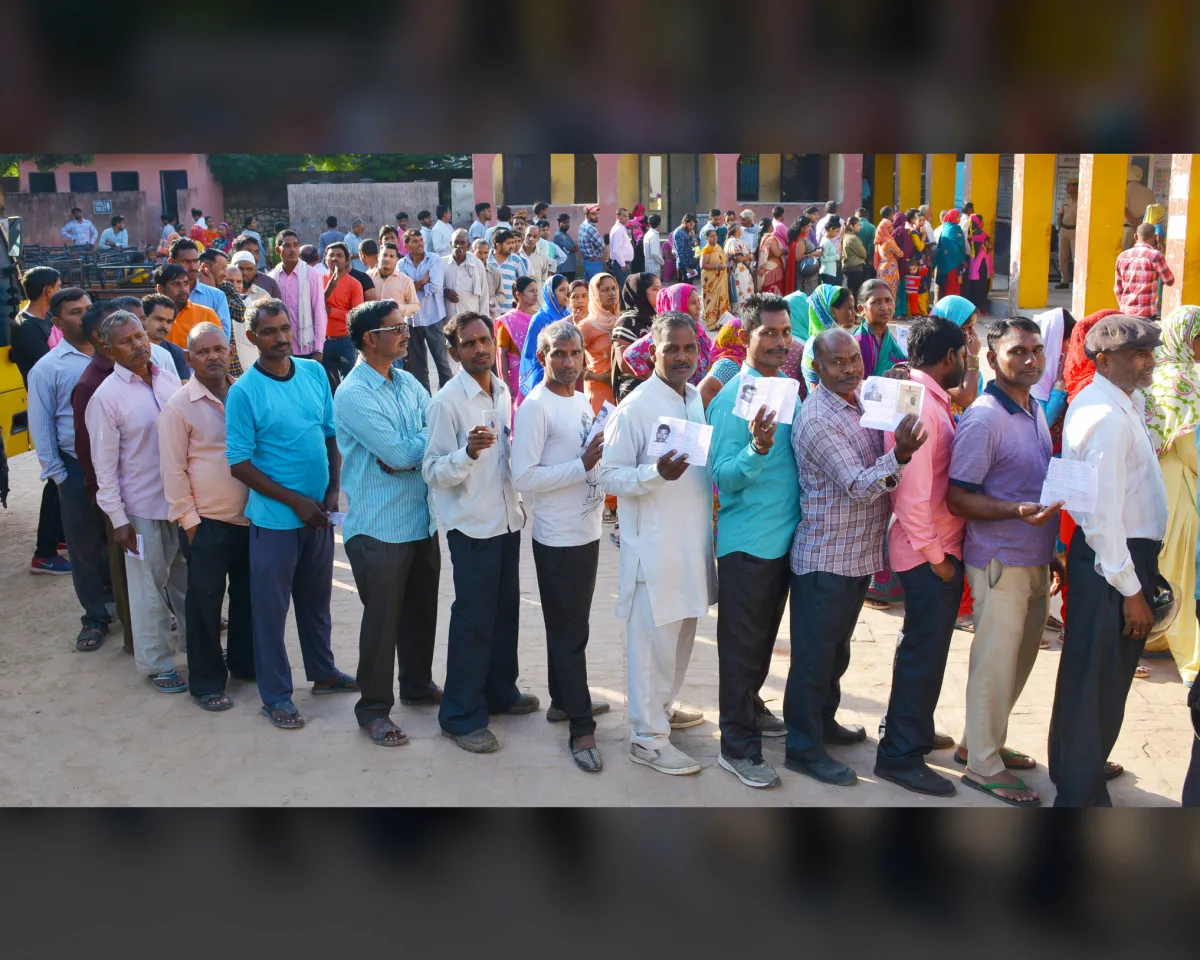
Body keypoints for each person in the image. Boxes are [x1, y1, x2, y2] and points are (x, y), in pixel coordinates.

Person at [783, 327, 925, 786]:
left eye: (853, 360)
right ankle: (802, 748)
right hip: (826, 557)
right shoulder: (818, 418)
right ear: (817, 368)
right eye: (837, 363)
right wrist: (900, 455)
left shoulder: (860, 398)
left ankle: (823, 722)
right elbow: (860, 486)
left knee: (835, 652)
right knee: (812, 658)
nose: (848, 369)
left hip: (857, 554)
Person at [1049, 315, 1167, 805]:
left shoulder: (1121, 403)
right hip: (1112, 562)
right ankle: (1079, 792)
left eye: (1149, 352)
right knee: (1095, 678)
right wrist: (1132, 590)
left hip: (1117, 557)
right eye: (1138, 354)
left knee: (1098, 675)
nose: (1150, 362)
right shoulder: (1103, 417)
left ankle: (1078, 768)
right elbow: (1099, 519)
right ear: (1103, 360)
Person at [225, 298, 358, 729]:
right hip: (276, 522)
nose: (281, 338)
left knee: (316, 603)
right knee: (270, 613)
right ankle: (276, 695)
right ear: (252, 338)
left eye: (284, 328)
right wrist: (295, 501)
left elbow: (330, 434)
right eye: (269, 331)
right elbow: (240, 463)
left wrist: (332, 489)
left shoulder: (315, 373)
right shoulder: (244, 392)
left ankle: (323, 673)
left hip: (318, 516)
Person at [946, 317, 1064, 806]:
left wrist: (1053, 549)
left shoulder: (1032, 407)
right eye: (1018, 351)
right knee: (995, 662)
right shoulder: (984, 417)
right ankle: (982, 767)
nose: (1031, 358)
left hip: (1034, 555)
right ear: (991, 359)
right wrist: (1014, 512)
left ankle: (981, 741)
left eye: (1036, 349)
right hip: (1000, 561)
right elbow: (957, 498)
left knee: (1018, 658)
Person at [598, 311, 716, 775]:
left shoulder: (692, 397)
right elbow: (606, 473)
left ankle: (662, 709)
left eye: (689, 348)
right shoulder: (637, 406)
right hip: (654, 549)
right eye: (672, 348)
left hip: (691, 543)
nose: (682, 356)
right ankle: (646, 737)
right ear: (653, 351)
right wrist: (653, 473)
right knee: (652, 643)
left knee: (682, 635)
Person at [422, 312, 535, 754]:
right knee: (473, 621)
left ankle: (500, 693)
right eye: (469, 344)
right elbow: (431, 470)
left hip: (506, 519)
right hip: (471, 526)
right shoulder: (447, 402)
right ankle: (460, 715)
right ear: (453, 352)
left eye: (485, 340)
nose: (480, 349)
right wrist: (466, 454)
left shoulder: (502, 388)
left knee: (505, 613)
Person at [334, 300, 442, 747]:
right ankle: (373, 709)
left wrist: (411, 447)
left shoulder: (408, 381)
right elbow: (401, 454)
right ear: (368, 340)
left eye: (405, 326)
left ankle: (417, 685)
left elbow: (435, 431)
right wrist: (415, 447)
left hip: (421, 517)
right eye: (395, 328)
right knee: (382, 621)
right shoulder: (354, 393)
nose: (404, 333)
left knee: (421, 611)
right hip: (378, 526)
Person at [707, 293, 799, 789]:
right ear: (745, 337)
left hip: (786, 539)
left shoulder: (788, 389)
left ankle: (752, 709)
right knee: (740, 648)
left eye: (785, 332)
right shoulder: (730, 399)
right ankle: (737, 746)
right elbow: (722, 475)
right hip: (745, 543)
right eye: (768, 333)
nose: (779, 342)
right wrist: (756, 448)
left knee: (762, 643)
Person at [874, 316, 969, 797]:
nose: (968, 364)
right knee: (922, 654)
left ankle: (909, 729)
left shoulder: (925, 395)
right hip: (927, 551)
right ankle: (899, 756)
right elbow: (909, 494)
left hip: (930, 545)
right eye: (965, 354)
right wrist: (938, 559)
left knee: (921, 650)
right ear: (949, 357)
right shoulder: (921, 405)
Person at [512, 320, 609, 771]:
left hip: (585, 531)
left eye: (575, 354)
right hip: (558, 539)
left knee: (574, 629)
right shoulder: (536, 407)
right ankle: (582, 728)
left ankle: (564, 700)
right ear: (542, 357)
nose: (569, 362)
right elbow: (523, 477)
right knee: (569, 633)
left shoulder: (579, 400)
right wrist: (581, 463)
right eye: (559, 355)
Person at [85, 310, 187, 691]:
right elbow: (104, 469)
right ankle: (157, 663)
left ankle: (199, 646)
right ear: (109, 350)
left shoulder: (166, 377)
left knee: (186, 581)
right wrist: (118, 520)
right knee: (147, 588)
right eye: (126, 341)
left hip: (180, 502)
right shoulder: (106, 398)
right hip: (140, 509)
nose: (138, 344)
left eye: (140, 335)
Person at [158, 322, 254, 710]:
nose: (213, 356)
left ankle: (246, 665)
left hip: (252, 520)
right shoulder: (179, 406)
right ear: (189, 358)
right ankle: (208, 682)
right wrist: (190, 522)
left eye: (218, 349)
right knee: (204, 607)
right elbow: (173, 469)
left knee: (249, 599)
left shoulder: (244, 392)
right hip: (207, 525)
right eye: (203, 351)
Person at [26, 288, 115, 648]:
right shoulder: (49, 368)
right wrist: (60, 476)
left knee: (128, 539)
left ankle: (132, 608)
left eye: (88, 309)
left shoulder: (117, 355)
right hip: (76, 467)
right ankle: (95, 617)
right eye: (75, 312)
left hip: (121, 466)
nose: (84, 316)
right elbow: (41, 426)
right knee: (85, 546)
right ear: (56, 320)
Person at [1139, 306, 1200, 686]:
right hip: (1176, 482)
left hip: (1153, 480)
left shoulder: (1155, 373)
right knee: (1178, 566)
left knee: (1159, 560)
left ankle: (1154, 633)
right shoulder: (1181, 379)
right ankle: (1191, 658)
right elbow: (1189, 447)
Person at [11, 267, 69, 577]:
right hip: (49, 408)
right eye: (59, 285)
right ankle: (44, 553)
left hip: (57, 405)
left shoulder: (41, 321)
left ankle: (58, 537)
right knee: (56, 478)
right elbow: (47, 371)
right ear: (48, 290)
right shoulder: (26, 327)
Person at [267, 231, 328, 361]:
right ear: (278, 250)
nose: (292, 249)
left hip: (307, 347)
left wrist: (318, 348)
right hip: (281, 346)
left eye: (295, 245)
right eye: (287, 245)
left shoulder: (311, 275)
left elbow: (319, 312)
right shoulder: (272, 277)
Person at [518, 274, 574, 398]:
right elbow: (530, 352)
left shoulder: (568, 314)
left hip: (567, 371)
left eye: (567, 290)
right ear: (551, 294)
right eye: (561, 290)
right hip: (544, 375)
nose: (566, 294)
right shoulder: (539, 318)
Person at [320, 241, 365, 390]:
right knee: (326, 384)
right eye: (331, 255)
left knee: (349, 384)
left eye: (339, 255)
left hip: (344, 341)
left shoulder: (354, 284)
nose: (334, 258)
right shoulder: (317, 281)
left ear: (346, 260)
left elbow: (356, 315)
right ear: (325, 258)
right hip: (321, 341)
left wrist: (330, 311)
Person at [170, 237, 232, 338]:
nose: (193, 267)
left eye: (195, 261)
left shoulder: (216, 296)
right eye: (186, 261)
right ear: (172, 262)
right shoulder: (165, 294)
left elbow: (224, 337)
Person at [496, 276, 540, 414]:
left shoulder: (539, 317)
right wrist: (506, 383)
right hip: (517, 375)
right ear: (518, 294)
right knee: (520, 411)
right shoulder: (508, 321)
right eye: (531, 291)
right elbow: (502, 354)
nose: (535, 294)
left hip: (539, 372)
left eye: (536, 291)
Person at [578, 273, 620, 414]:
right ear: (595, 294)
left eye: (614, 288)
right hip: (598, 390)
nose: (611, 293)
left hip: (621, 390)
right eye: (605, 290)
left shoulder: (622, 321)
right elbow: (571, 361)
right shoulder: (587, 326)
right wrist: (596, 377)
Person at [1115, 223, 1175, 319]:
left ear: (1136, 236)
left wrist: (1124, 305)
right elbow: (1169, 280)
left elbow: (1118, 288)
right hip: (1147, 313)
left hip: (1126, 311)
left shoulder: (1122, 256)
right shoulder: (1156, 256)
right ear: (1155, 237)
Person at [369, 241, 422, 329]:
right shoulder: (368, 277)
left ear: (397, 260)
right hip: (372, 328)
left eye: (391, 256)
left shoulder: (406, 281)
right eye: (384, 255)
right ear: (378, 257)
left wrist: (397, 308)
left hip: (396, 329)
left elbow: (416, 306)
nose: (387, 259)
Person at [139, 293, 190, 380]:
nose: (165, 326)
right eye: (159, 319)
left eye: (169, 322)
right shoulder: (131, 349)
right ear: (143, 318)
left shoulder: (176, 353)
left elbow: (183, 388)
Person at [444, 228, 490, 323]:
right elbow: (435, 288)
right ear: (450, 244)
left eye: (462, 243)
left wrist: (483, 321)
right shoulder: (441, 263)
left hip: (471, 320)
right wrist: (444, 291)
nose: (458, 246)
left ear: (468, 245)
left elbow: (484, 295)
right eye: (455, 242)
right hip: (448, 320)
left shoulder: (477, 264)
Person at [962, 214, 993, 316]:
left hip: (973, 265)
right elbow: (989, 246)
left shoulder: (969, 234)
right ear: (979, 222)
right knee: (983, 287)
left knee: (974, 287)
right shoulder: (982, 234)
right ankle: (982, 309)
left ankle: (974, 309)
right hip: (982, 265)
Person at [699, 226, 730, 329]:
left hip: (721, 278)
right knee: (711, 300)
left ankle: (721, 322)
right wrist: (717, 267)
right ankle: (712, 324)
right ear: (706, 239)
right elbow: (703, 265)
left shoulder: (718, 247)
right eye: (711, 236)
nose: (714, 238)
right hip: (711, 279)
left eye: (715, 235)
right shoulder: (706, 250)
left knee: (721, 298)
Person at [934, 209, 967, 299]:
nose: (959, 219)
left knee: (955, 286)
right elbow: (949, 247)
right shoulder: (949, 229)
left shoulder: (956, 228)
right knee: (950, 286)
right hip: (950, 263)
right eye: (957, 217)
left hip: (955, 263)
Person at [1123, 163, 1156, 250]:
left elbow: (1124, 209)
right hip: (1142, 230)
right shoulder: (1148, 192)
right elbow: (1151, 211)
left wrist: (1133, 221)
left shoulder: (1124, 189)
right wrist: (1139, 221)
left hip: (1126, 228)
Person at [1055, 177, 1079, 288]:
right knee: (1062, 256)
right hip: (1065, 230)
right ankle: (1064, 280)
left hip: (1076, 231)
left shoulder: (1082, 199)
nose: (1067, 188)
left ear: (1075, 186)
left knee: (1076, 257)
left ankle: (1077, 281)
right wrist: (1060, 228)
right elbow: (1060, 215)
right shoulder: (1066, 199)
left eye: (1069, 185)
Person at [757, 219, 787, 295]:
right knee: (774, 292)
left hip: (767, 268)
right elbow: (777, 253)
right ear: (770, 226)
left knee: (767, 292)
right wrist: (784, 251)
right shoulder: (771, 238)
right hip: (774, 269)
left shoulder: (762, 238)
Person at [840, 217, 868, 298]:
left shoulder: (845, 236)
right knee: (856, 293)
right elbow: (863, 254)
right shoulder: (853, 238)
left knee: (850, 292)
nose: (860, 227)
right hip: (855, 268)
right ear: (851, 226)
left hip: (848, 267)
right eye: (858, 225)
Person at [577, 204, 607, 281]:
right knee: (599, 287)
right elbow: (602, 246)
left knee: (589, 288)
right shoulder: (590, 228)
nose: (597, 216)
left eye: (597, 214)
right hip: (595, 263)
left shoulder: (582, 225)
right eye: (593, 214)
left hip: (587, 262)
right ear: (586, 215)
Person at [609, 207, 635, 288]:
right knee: (624, 288)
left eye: (627, 216)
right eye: (624, 216)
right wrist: (623, 265)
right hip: (620, 264)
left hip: (621, 263)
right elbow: (617, 249)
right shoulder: (618, 230)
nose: (627, 218)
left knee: (625, 288)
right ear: (617, 216)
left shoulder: (621, 228)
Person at [671, 213, 699, 285]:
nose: (691, 227)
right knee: (683, 290)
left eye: (693, 226)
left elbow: (688, 246)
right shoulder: (678, 233)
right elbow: (680, 252)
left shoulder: (686, 231)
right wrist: (687, 268)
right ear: (684, 222)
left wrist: (691, 237)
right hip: (683, 266)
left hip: (689, 263)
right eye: (690, 225)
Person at [818, 217, 843, 287]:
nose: (837, 234)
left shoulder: (826, 240)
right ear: (831, 229)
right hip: (827, 272)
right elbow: (822, 259)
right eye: (836, 231)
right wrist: (837, 257)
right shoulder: (826, 242)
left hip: (829, 272)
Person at [553, 213, 578, 281]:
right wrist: (573, 247)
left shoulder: (566, 235)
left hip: (570, 268)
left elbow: (575, 248)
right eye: (564, 222)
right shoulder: (559, 235)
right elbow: (572, 248)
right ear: (558, 224)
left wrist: (574, 247)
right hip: (564, 269)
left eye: (567, 222)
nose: (566, 224)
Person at [642, 213, 664, 279]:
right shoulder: (654, 235)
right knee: (655, 287)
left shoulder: (648, 234)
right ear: (659, 223)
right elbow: (654, 253)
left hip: (648, 264)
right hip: (654, 267)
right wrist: (662, 262)